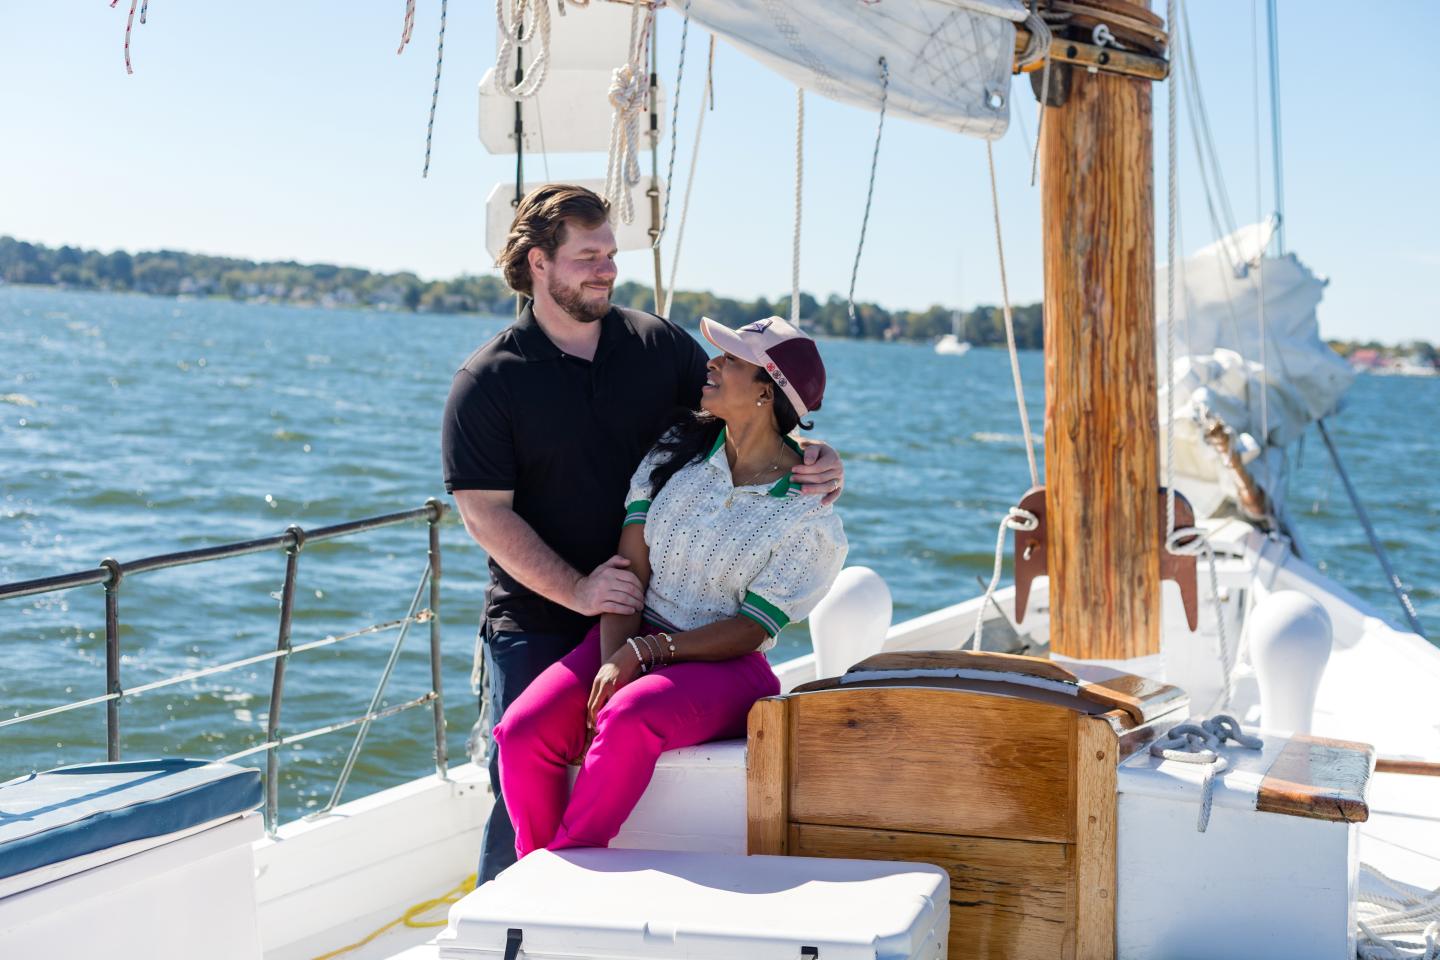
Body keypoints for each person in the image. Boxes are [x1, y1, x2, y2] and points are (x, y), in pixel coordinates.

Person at [440, 184, 844, 883]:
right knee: (519, 771)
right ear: (538, 262)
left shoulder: (658, 345)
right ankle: (525, 914)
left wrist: (823, 456)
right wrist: (586, 594)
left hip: (657, 621)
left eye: (611, 255)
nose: (606, 270)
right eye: (587, 256)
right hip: (539, 616)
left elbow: (758, 415)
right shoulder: (488, 381)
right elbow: (485, 515)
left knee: (611, 739)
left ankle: (561, 890)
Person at [493, 315, 846, 856]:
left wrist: (646, 653)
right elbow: (628, 573)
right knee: (521, 732)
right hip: (635, 634)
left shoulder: (810, 517)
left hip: (726, 666)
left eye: (731, 359)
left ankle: (566, 868)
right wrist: (617, 660)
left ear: (764, 391)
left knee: (631, 719)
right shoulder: (675, 452)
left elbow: (753, 627)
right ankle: (534, 871)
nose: (713, 363)